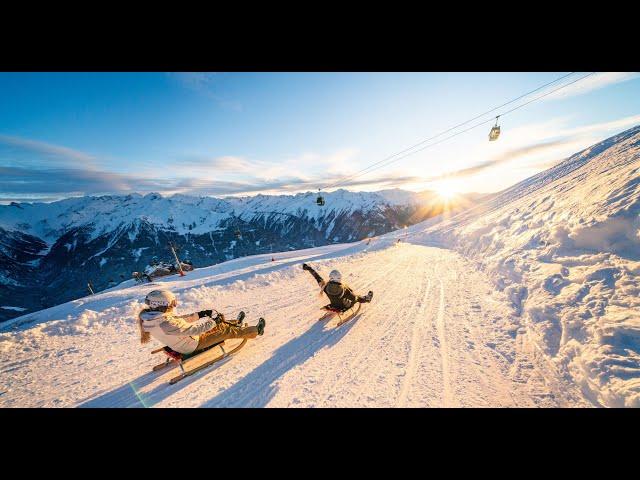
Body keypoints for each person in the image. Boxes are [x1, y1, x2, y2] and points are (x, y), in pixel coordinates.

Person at [137, 289, 265, 355]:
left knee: (218, 324)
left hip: (186, 341)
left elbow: (180, 320)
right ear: (162, 304)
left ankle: (236, 322)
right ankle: (255, 331)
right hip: (192, 344)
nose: (173, 306)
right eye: (172, 303)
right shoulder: (165, 323)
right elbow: (195, 330)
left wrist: (201, 314)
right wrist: (213, 322)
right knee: (226, 330)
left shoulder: (153, 318)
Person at [302, 263, 373, 312]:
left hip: (333, 305)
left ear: (330, 277)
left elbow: (317, 277)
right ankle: (367, 299)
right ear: (339, 278)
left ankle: (364, 298)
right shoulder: (344, 289)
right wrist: (357, 297)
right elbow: (354, 298)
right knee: (357, 297)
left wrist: (309, 268)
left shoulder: (325, 287)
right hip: (343, 307)